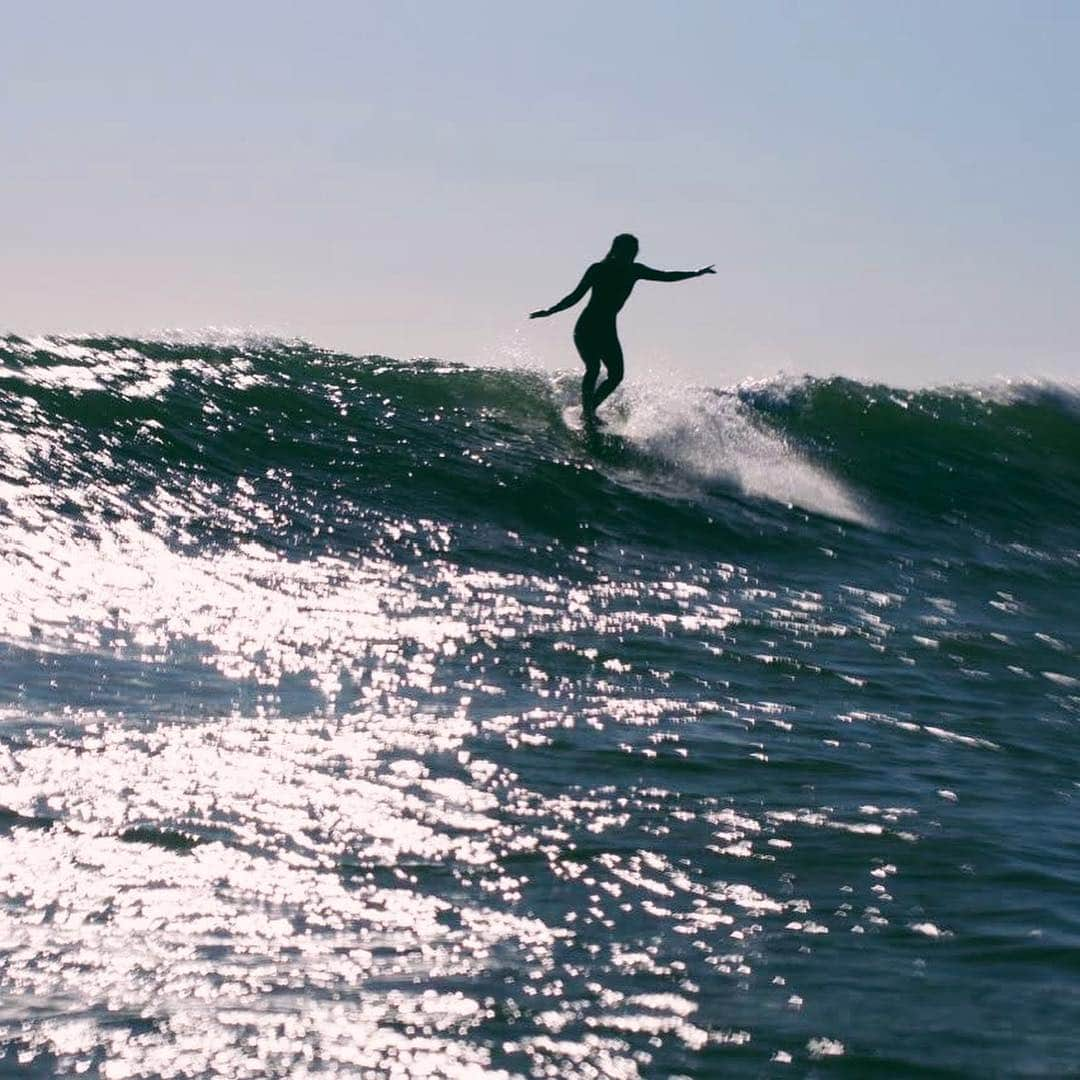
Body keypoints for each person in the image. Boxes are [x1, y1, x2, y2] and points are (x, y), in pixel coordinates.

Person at [529, 234, 714, 423]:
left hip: (608, 329)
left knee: (616, 375)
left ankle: (589, 409)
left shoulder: (634, 270)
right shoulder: (598, 269)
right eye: (625, 251)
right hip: (587, 326)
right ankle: (588, 413)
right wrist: (550, 311)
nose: (629, 255)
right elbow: (576, 296)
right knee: (593, 368)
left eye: (632, 252)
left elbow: (666, 276)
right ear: (615, 250)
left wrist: (696, 273)